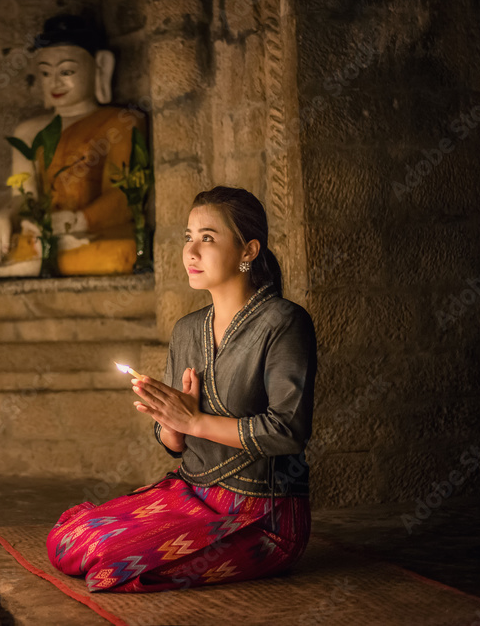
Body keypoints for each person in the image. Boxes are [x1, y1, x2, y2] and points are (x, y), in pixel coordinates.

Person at [47, 186, 317, 592]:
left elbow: (288, 432)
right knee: (69, 539)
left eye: (208, 238)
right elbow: (175, 441)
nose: (191, 251)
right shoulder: (188, 330)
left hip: (262, 515)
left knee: (114, 563)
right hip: (192, 494)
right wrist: (172, 424)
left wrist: (196, 420)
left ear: (248, 250)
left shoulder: (284, 322)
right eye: (188, 237)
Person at [0, 14, 145, 278]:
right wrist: (3, 218)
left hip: (95, 233)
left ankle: (35, 261)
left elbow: (124, 198)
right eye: (45, 73)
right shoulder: (29, 132)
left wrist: (77, 221)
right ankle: (42, 258)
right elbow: (23, 197)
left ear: (100, 67)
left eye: (67, 71)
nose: (55, 82)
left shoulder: (121, 122)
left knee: (120, 255)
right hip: (40, 235)